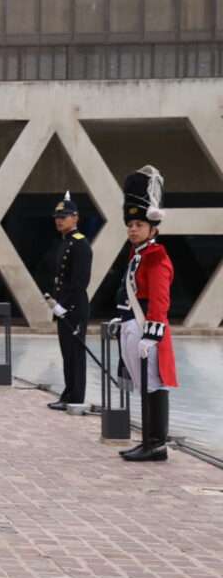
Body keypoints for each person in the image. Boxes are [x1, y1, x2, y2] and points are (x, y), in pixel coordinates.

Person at [114, 166, 177, 462]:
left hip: (147, 331)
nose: (133, 229)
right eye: (130, 224)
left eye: (138, 224)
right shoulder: (138, 256)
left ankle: (156, 443)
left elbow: (160, 302)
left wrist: (151, 335)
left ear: (153, 228)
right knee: (144, 386)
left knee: (154, 385)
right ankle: (148, 440)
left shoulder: (157, 257)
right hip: (133, 326)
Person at [44, 192, 92, 411]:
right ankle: (69, 392)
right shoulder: (64, 243)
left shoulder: (80, 244)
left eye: (64, 216)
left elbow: (80, 280)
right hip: (63, 306)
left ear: (76, 218)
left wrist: (66, 303)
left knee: (75, 354)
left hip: (74, 307)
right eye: (57, 216)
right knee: (67, 353)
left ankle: (75, 397)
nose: (59, 220)